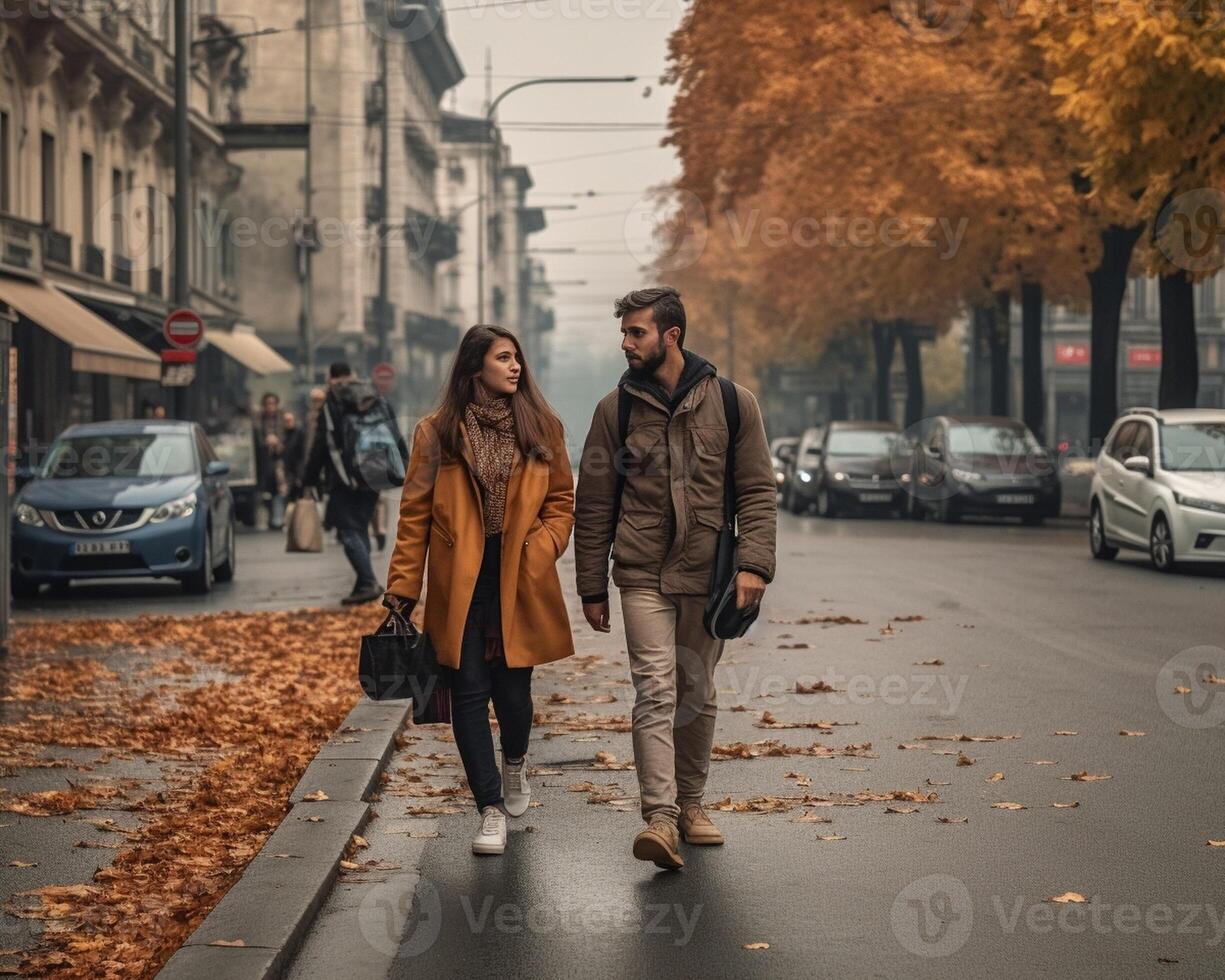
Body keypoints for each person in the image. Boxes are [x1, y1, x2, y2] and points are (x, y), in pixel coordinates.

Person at [574, 286, 777, 871]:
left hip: (708, 574)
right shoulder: (615, 411)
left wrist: (754, 565)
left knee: (697, 692)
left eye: (636, 332)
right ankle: (660, 818)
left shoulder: (735, 404)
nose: (626, 343)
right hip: (640, 573)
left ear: (671, 336)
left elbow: (758, 492)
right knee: (656, 690)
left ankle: (692, 806)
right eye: (624, 333)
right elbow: (594, 503)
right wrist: (592, 585)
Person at [383, 325, 575, 857]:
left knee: (514, 696)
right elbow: (414, 515)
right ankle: (489, 808)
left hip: (520, 578)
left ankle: (514, 764)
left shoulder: (542, 426)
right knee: (467, 694)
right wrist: (402, 588)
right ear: (475, 367)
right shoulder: (437, 432)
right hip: (459, 582)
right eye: (504, 358)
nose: (516, 367)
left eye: (517, 358)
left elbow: (562, 501)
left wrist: (543, 546)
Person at [303, 363, 405, 605]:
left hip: (344, 477)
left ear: (331, 378)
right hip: (375, 473)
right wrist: (403, 464)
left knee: (348, 530)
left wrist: (308, 478)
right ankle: (362, 583)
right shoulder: (374, 394)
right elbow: (393, 429)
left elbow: (322, 442)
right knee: (359, 526)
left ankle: (368, 581)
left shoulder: (333, 401)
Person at [254, 392, 288, 530]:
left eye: (273, 403)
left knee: (279, 488)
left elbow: (288, 436)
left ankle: (278, 519)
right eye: (268, 403)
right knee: (264, 490)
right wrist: (266, 441)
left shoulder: (282, 418)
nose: (271, 406)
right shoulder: (259, 419)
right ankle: (266, 518)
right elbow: (256, 437)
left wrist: (278, 442)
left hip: (279, 459)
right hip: (263, 459)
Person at [281, 410, 306, 500]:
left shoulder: (300, 434)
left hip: (298, 474)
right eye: (286, 421)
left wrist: (299, 475)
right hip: (288, 474)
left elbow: (301, 455)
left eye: (290, 420)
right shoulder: (284, 435)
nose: (288, 423)